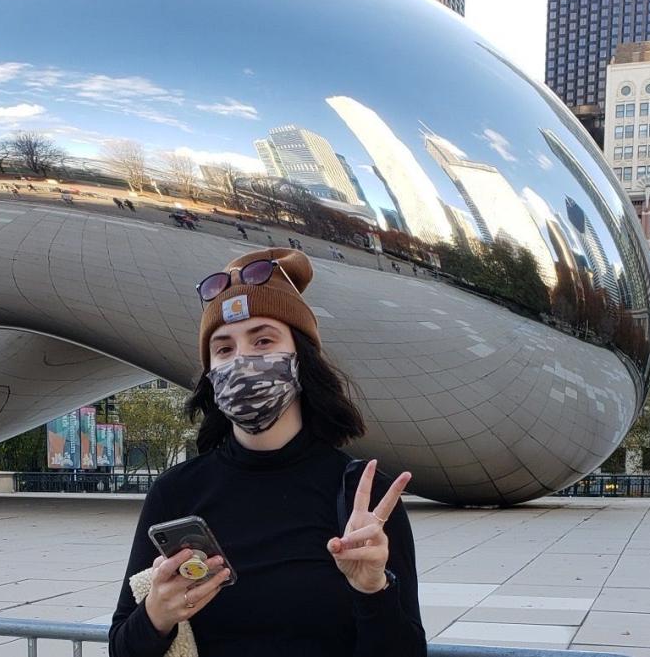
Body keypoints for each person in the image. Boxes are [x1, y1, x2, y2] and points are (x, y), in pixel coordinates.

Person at [109, 248, 425, 657]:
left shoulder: (364, 497)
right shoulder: (176, 492)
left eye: (263, 340)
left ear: (301, 359)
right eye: (223, 349)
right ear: (210, 374)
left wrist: (373, 590)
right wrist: (157, 614)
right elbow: (121, 648)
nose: (243, 359)